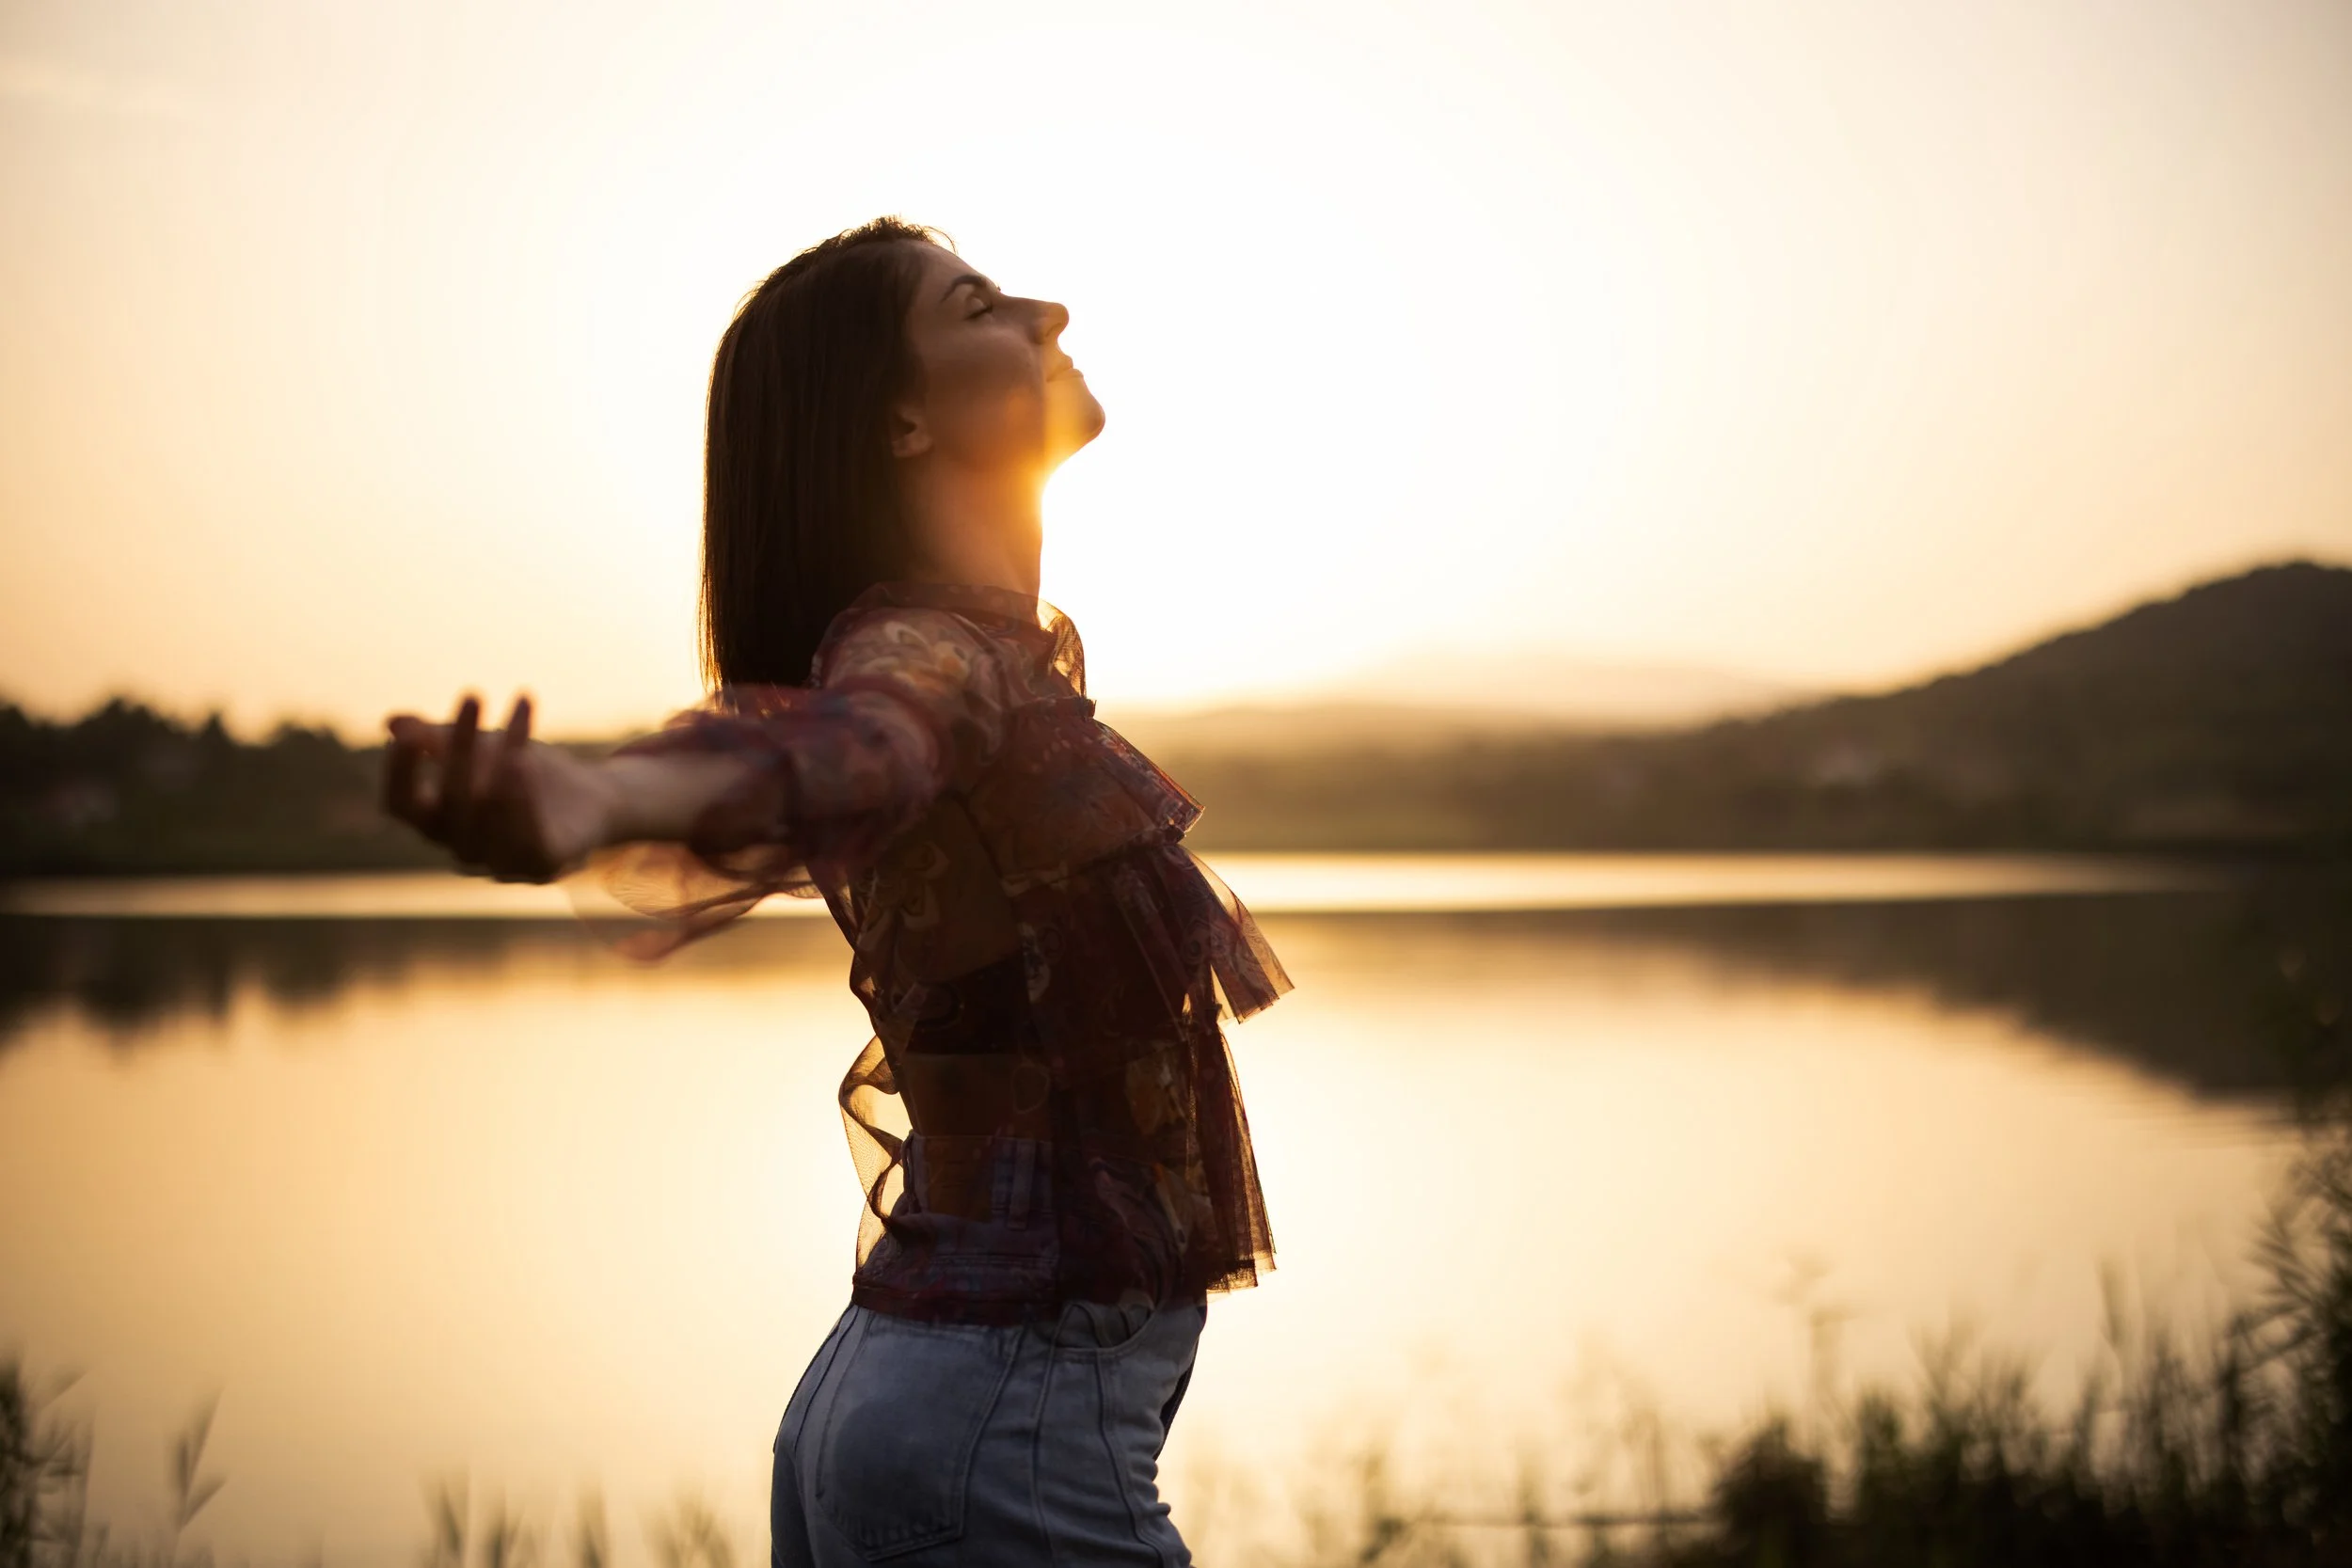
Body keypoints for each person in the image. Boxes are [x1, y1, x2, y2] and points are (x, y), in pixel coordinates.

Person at [380, 216, 1290, 1566]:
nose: (1048, 310)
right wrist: (592, 801)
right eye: (980, 304)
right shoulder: (928, 657)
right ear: (905, 423)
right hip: (1002, 1427)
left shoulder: (985, 656)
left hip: (940, 1398)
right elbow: (830, 747)